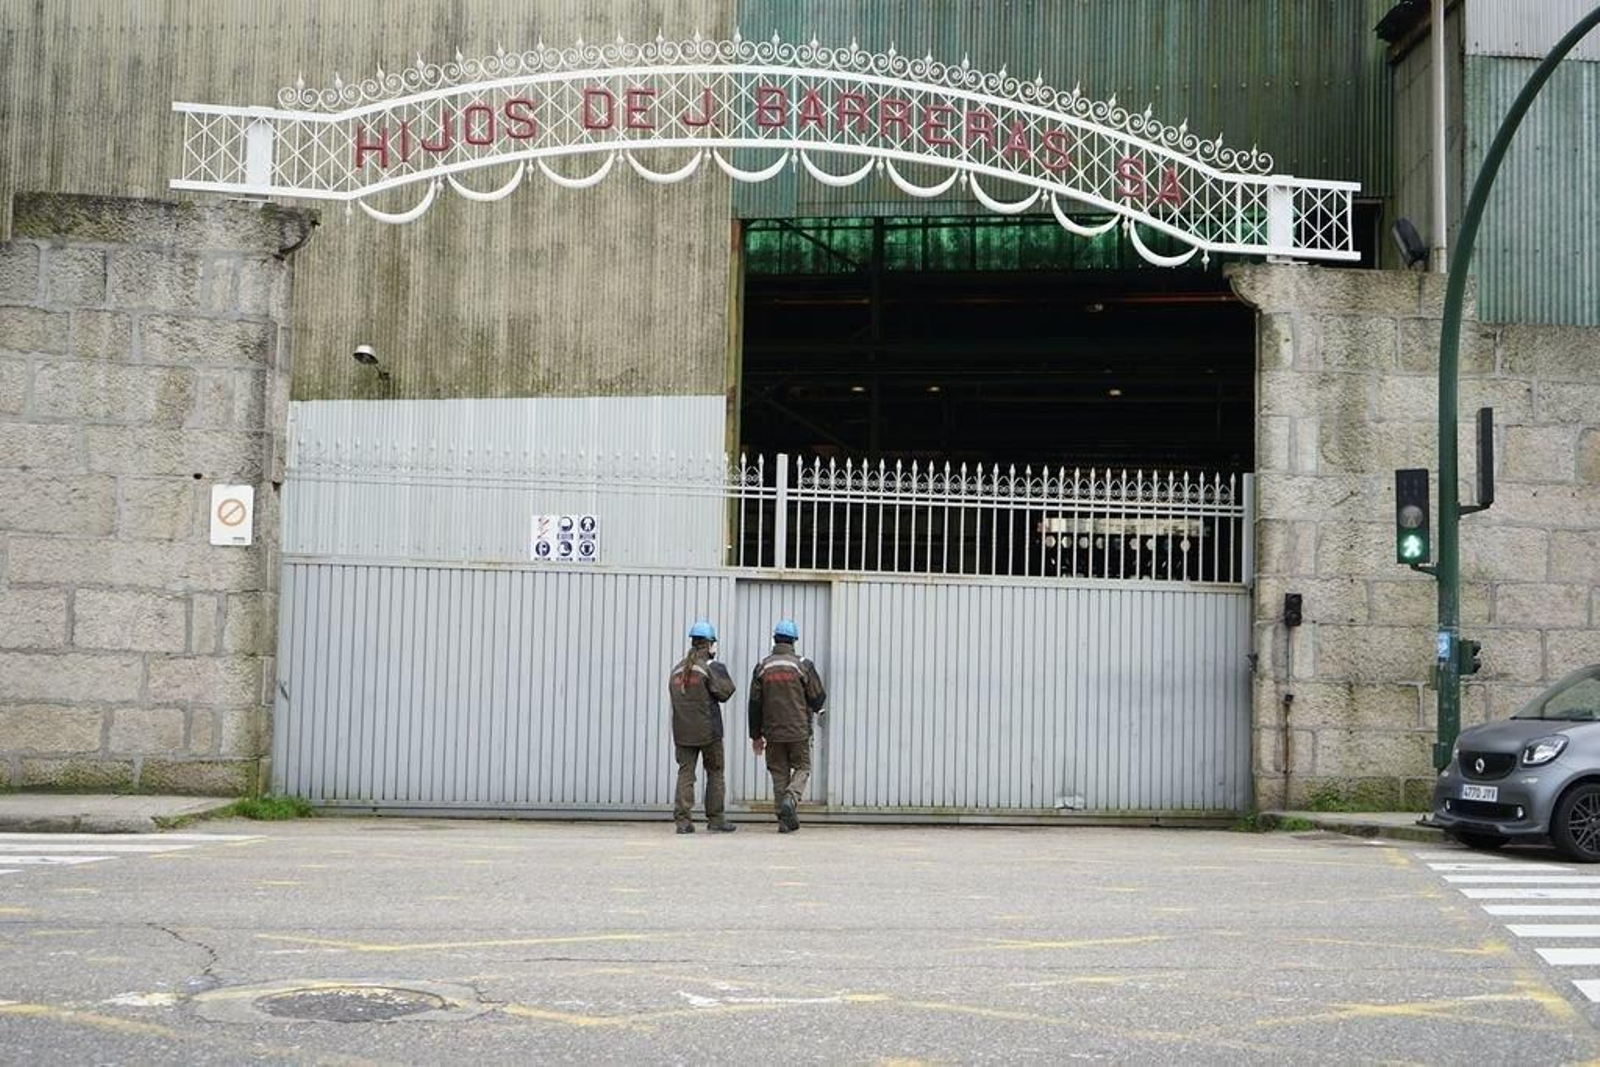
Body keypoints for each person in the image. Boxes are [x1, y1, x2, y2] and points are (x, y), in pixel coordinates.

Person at [747, 619, 827, 833]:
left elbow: (754, 704)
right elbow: (818, 698)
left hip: (772, 733)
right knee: (803, 767)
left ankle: (783, 822)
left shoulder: (762, 666)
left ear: (775, 639)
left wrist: (755, 736)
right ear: (794, 641)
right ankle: (791, 799)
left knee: (779, 773)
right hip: (798, 730)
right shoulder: (803, 665)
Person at [668, 620, 737, 834]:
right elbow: (725, 693)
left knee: (685, 773)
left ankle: (683, 821)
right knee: (715, 772)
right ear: (710, 645)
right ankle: (715, 819)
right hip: (709, 733)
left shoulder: (677, 670)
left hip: (682, 732)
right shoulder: (709, 668)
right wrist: (719, 669)